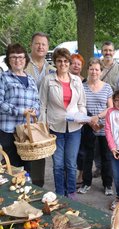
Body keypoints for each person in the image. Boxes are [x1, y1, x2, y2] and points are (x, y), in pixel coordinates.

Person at [39, 48, 87, 199]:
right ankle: (59, 192)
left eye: (66, 61)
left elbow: (82, 103)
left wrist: (82, 117)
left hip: (74, 128)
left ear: (69, 62)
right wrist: (43, 124)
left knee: (71, 164)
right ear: (55, 62)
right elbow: (42, 104)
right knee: (58, 164)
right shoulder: (48, 80)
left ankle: (71, 192)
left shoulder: (77, 80)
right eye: (59, 61)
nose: (63, 64)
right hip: (55, 127)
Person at [0, 43, 40, 172]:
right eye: (14, 57)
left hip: (27, 132)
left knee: (28, 167)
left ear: (26, 60)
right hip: (9, 131)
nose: (18, 60)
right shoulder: (3, 77)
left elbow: (37, 101)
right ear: (8, 60)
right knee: (11, 167)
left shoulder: (31, 80)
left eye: (21, 57)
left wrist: (35, 111)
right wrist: (20, 112)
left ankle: (26, 191)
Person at [77, 58, 114, 196]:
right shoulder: (82, 86)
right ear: (88, 70)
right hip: (88, 126)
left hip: (103, 126)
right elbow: (80, 105)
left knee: (106, 157)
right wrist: (89, 120)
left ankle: (108, 184)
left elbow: (110, 108)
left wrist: (98, 117)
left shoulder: (107, 87)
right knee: (87, 156)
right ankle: (86, 183)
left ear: (101, 71)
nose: (94, 72)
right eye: (91, 69)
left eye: (97, 69)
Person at [25, 32, 56, 187]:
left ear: (47, 47)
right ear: (31, 45)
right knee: (23, 151)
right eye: (37, 43)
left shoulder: (51, 69)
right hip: (24, 116)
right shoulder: (23, 65)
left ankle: (37, 187)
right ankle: (20, 185)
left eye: (43, 44)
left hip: (42, 118)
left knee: (39, 152)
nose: (40, 47)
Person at [93, 41, 119, 178]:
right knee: (96, 143)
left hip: (113, 109)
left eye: (110, 50)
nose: (108, 53)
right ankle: (99, 167)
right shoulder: (97, 67)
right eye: (105, 50)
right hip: (97, 108)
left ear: (114, 52)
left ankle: (110, 169)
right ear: (102, 51)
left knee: (110, 140)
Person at [69, 53, 86, 186]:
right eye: (73, 63)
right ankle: (69, 174)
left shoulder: (84, 81)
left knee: (82, 150)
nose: (76, 65)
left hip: (82, 120)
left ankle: (81, 173)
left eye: (78, 64)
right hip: (67, 121)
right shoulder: (65, 80)